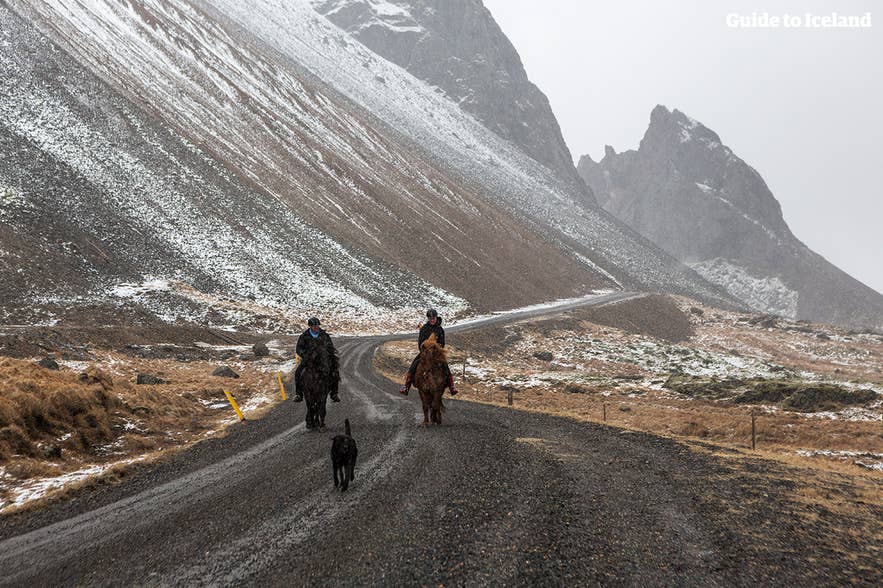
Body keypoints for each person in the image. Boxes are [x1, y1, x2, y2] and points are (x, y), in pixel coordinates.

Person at [399, 308, 458, 396]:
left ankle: (451, 386)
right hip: (425, 353)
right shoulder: (424, 329)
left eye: (433, 318)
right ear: (428, 319)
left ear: (436, 318)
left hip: (436, 353)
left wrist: (437, 350)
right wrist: (424, 351)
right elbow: (420, 343)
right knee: (414, 364)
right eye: (430, 318)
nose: (432, 320)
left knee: (445, 365)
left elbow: (442, 343)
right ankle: (406, 386)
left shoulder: (440, 330)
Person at [293, 317, 340, 403]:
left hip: (323, 359)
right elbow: (298, 349)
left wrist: (328, 355)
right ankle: (299, 394)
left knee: (335, 372)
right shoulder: (304, 336)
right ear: (310, 326)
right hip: (309, 360)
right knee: (298, 372)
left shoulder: (324, 335)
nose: (316, 327)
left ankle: (334, 393)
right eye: (314, 326)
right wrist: (305, 355)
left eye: (317, 325)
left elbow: (330, 347)